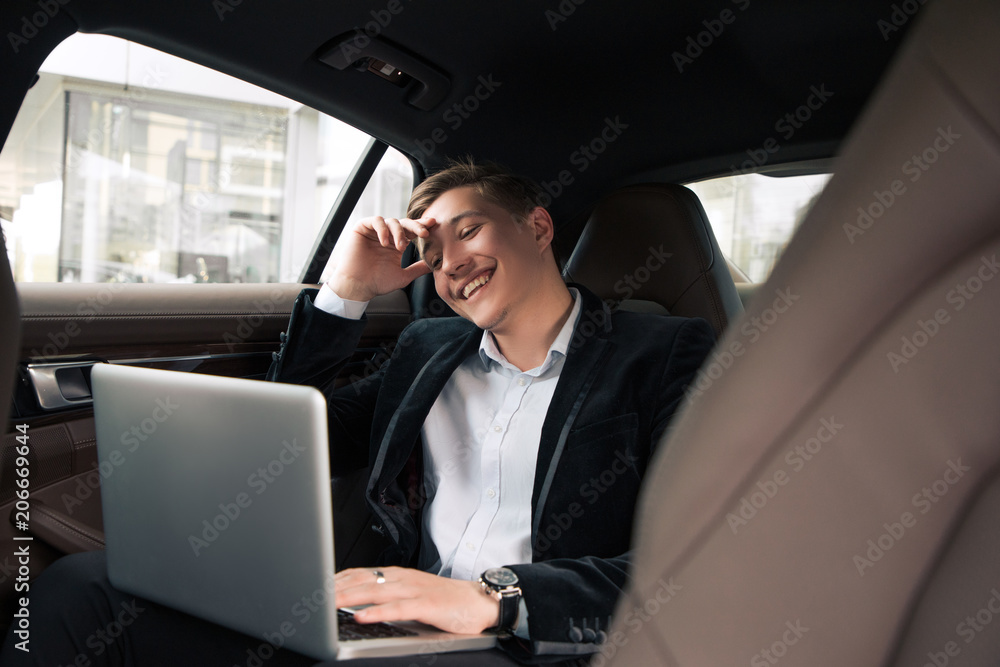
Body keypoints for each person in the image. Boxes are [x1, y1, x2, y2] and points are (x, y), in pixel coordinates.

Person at [1, 160, 715, 666]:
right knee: (83, 586)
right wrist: (343, 293)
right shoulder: (428, 348)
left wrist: (497, 598)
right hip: (384, 623)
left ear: (536, 226)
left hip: (527, 640)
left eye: (468, 231)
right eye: (432, 252)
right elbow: (291, 434)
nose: (452, 263)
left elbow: (694, 560)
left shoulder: (666, 354)